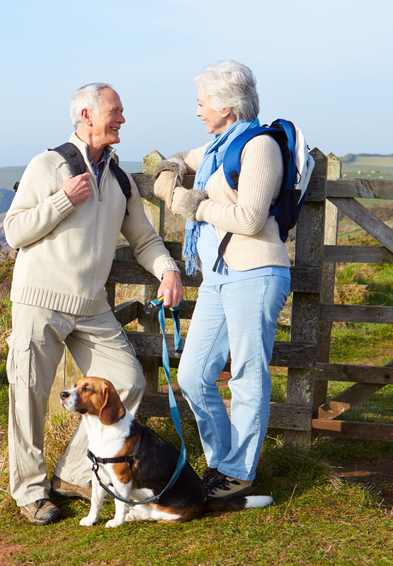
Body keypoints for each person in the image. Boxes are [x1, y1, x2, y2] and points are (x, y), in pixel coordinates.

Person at [4, 83, 183, 525]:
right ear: (86, 115)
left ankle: (70, 475)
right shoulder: (47, 165)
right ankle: (30, 493)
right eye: (115, 111)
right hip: (39, 301)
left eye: (122, 111)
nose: (123, 118)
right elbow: (14, 231)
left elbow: (143, 238)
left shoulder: (120, 178)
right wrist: (65, 199)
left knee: (126, 382)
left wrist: (168, 270)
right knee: (28, 395)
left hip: (91, 306)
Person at [151, 60, 291, 498]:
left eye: (201, 104)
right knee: (192, 375)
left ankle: (238, 473)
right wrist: (169, 171)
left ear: (227, 107)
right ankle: (223, 464)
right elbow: (178, 160)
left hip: (257, 270)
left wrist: (195, 205)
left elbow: (249, 219)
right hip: (218, 275)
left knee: (248, 374)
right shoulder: (217, 148)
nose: (197, 112)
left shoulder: (258, 147)